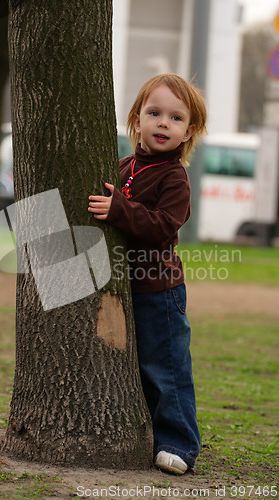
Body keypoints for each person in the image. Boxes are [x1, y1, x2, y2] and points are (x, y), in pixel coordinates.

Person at [88, 73, 207, 475]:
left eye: (175, 118)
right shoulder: (124, 165)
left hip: (160, 290)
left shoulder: (176, 178)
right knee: (134, 366)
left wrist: (119, 210)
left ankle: (180, 443)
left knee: (166, 366)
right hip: (125, 286)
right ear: (136, 119)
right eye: (154, 113)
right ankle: (150, 431)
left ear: (188, 131)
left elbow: (162, 226)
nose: (162, 123)